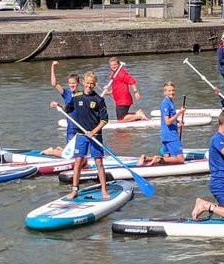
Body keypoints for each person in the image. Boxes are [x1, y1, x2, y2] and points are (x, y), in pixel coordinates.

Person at [57, 71, 110, 200]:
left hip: (95, 135)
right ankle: (74, 190)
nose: (89, 86)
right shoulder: (77, 97)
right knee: (78, 161)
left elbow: (104, 120)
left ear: (94, 84)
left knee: (98, 162)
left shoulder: (99, 100)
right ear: (83, 83)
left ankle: (103, 189)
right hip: (80, 135)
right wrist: (58, 106)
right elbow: (68, 109)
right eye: (87, 83)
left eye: (92, 83)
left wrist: (93, 132)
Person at [138, 82, 188, 166]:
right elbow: (167, 121)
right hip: (170, 135)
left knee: (167, 158)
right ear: (165, 92)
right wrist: (179, 112)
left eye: (173, 90)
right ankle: (158, 159)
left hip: (165, 134)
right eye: (169, 91)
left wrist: (178, 122)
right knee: (180, 159)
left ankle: (146, 158)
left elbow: (168, 118)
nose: (171, 92)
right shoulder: (165, 103)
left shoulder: (170, 102)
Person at [42, 61, 80, 156]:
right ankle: (51, 151)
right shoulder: (66, 93)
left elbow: (69, 109)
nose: (72, 85)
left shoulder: (82, 95)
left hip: (81, 128)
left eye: (74, 83)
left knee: (78, 152)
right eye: (70, 83)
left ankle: (61, 149)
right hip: (71, 127)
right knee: (71, 155)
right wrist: (52, 68)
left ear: (78, 83)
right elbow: (54, 84)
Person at [101, 56, 148, 122]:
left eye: (115, 64)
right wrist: (110, 92)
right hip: (118, 99)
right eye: (111, 65)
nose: (113, 66)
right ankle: (137, 113)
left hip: (123, 99)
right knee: (122, 116)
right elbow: (116, 87)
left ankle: (139, 116)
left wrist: (136, 92)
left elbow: (132, 81)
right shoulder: (113, 74)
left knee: (120, 119)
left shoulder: (122, 73)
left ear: (119, 64)